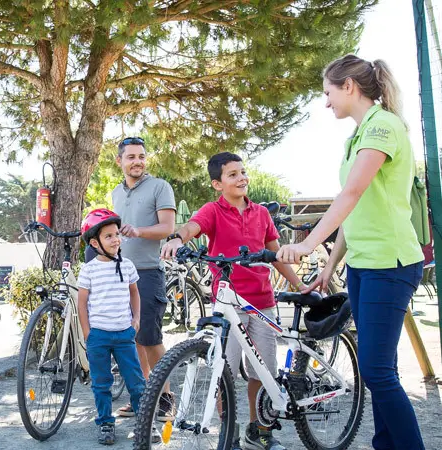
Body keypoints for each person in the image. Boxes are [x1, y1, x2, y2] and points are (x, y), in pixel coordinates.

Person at [276, 54, 426, 450]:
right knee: (380, 369)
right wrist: (330, 263)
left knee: (377, 372)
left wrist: (308, 244)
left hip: (389, 264)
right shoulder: (356, 137)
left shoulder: (384, 127)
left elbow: (352, 192)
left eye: (328, 93)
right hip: (363, 266)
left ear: (349, 87)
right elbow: (354, 209)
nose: (326, 103)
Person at [161, 152, 304, 450]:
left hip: (262, 302)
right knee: (222, 370)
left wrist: (300, 284)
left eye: (242, 172)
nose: (241, 178)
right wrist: (177, 238)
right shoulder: (213, 211)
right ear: (217, 184)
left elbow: (276, 256)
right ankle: (230, 433)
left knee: (262, 371)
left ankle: (259, 430)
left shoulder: (262, 214)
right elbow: (192, 228)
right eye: (232, 175)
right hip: (227, 304)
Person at [92, 136, 176, 420]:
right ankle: (141, 396)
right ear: (120, 161)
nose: (137, 161)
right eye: (131, 157)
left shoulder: (159, 187)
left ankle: (165, 399)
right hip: (120, 275)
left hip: (148, 272)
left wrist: (139, 231)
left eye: (141, 156)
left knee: (151, 339)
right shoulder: (116, 192)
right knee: (132, 340)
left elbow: (167, 227)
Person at [77, 209, 154, 445]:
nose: (115, 239)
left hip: (124, 334)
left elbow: (134, 293)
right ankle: (105, 424)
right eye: (108, 236)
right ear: (95, 242)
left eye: (116, 234)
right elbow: (82, 303)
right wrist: (88, 333)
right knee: (101, 383)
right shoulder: (89, 269)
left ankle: (143, 425)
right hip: (98, 336)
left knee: (136, 382)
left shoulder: (128, 265)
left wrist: (136, 320)